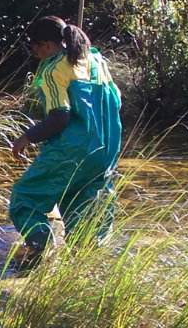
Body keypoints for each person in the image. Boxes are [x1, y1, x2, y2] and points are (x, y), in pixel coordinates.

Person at [9, 16, 122, 257]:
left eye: (34, 48)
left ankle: (41, 251)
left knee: (25, 198)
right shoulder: (96, 60)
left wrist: (26, 137)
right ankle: (86, 264)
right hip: (107, 148)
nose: (35, 54)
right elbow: (117, 101)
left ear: (46, 45)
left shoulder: (54, 68)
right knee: (87, 210)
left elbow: (60, 117)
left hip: (72, 150)